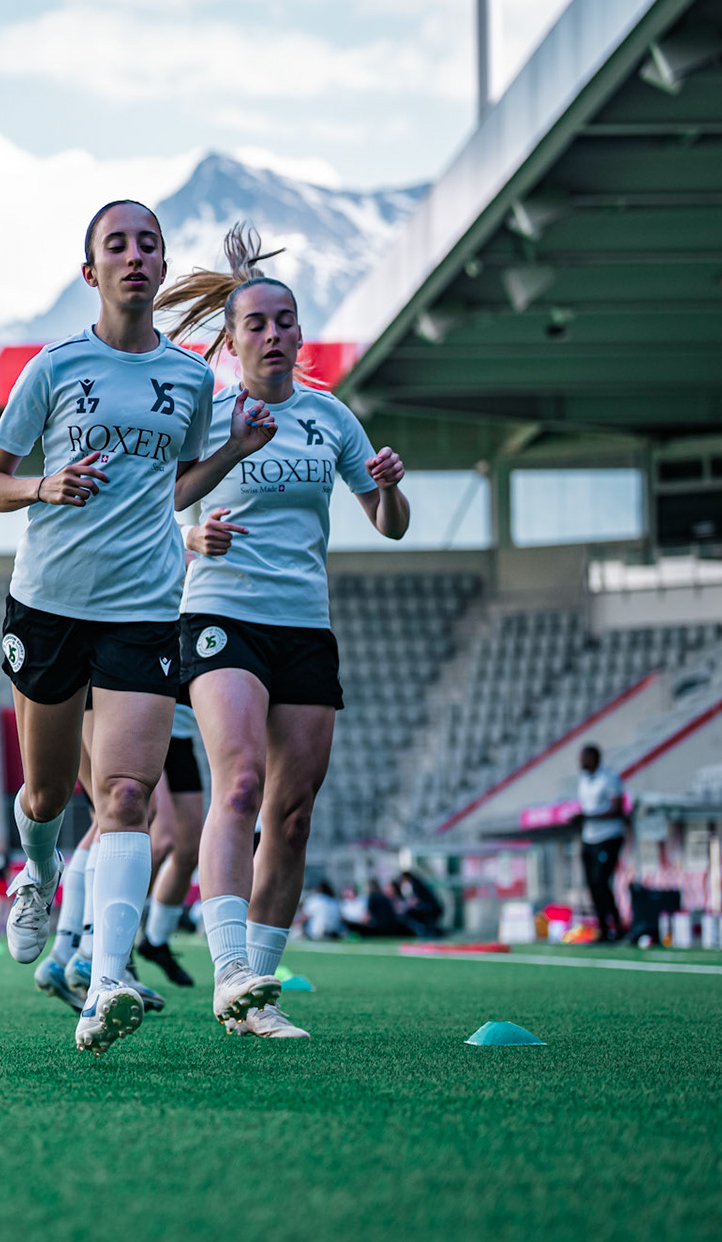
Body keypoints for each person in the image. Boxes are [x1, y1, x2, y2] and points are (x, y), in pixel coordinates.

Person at [0, 199, 274, 1056]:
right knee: (44, 797)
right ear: (91, 272)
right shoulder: (54, 367)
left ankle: (107, 978)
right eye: (118, 245)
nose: (135, 257)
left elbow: (169, 490)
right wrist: (45, 485)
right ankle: (37, 874)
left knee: (128, 798)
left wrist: (231, 454)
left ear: (161, 264)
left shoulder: (187, 379)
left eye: (149, 244)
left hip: (143, 606)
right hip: (48, 601)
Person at [162, 223, 409, 1039]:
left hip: (304, 623)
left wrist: (386, 489)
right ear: (231, 343)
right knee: (237, 785)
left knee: (293, 813)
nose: (274, 334)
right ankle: (226, 967)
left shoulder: (331, 417)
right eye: (256, 325)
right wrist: (201, 527)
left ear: (300, 333)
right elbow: (163, 504)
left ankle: (256, 992)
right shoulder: (205, 410)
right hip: (221, 614)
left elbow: (389, 523)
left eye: (286, 321)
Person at [138, 702, 204, 987]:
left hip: (183, 736)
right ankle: (115, 941)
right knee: (160, 841)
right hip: (147, 725)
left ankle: (156, 941)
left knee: (189, 851)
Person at [575, 743, 628, 943]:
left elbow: (617, 808)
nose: (580, 762)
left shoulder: (609, 779)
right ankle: (604, 929)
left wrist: (589, 816)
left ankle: (618, 925)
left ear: (594, 758)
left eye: (583, 757)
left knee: (602, 882)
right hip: (589, 838)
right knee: (592, 885)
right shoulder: (583, 781)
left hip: (608, 836)